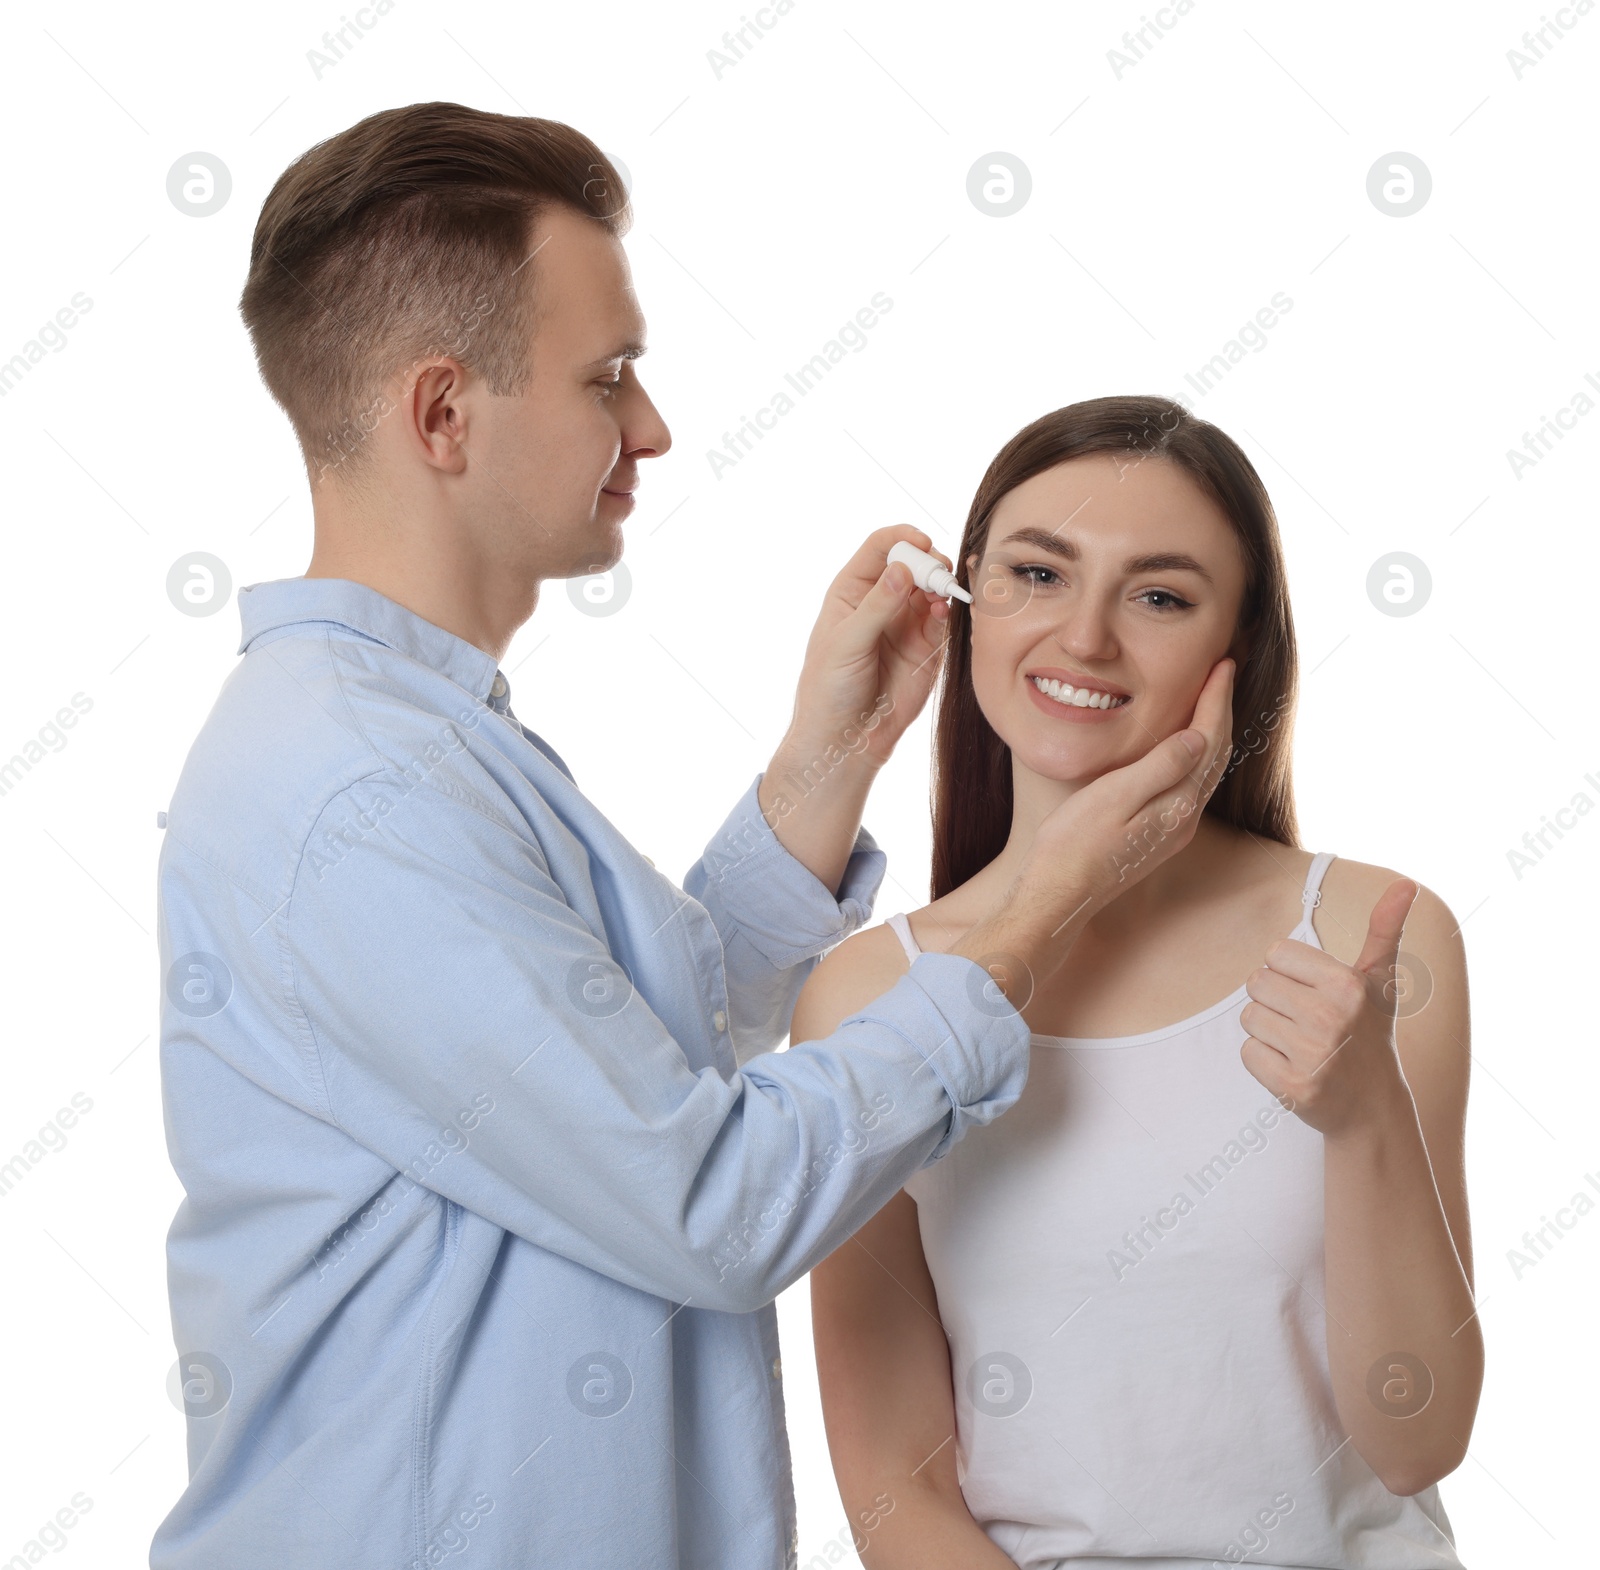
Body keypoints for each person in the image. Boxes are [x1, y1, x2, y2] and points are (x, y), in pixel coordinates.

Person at [150, 108, 1232, 1570]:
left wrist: (831, 755)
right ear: (442, 416)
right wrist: (1039, 908)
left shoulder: (400, 741)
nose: (649, 428)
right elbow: (709, 1195)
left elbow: (604, 1070)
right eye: (608, 379)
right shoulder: (354, 791)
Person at [802, 396, 1483, 1570]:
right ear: (965, 607)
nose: (1084, 639)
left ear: (1239, 650)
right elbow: (891, 1495)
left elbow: (1419, 1439)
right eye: (1035, 573)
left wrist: (1366, 1113)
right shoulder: (868, 994)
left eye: (1158, 595)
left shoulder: (1376, 937)